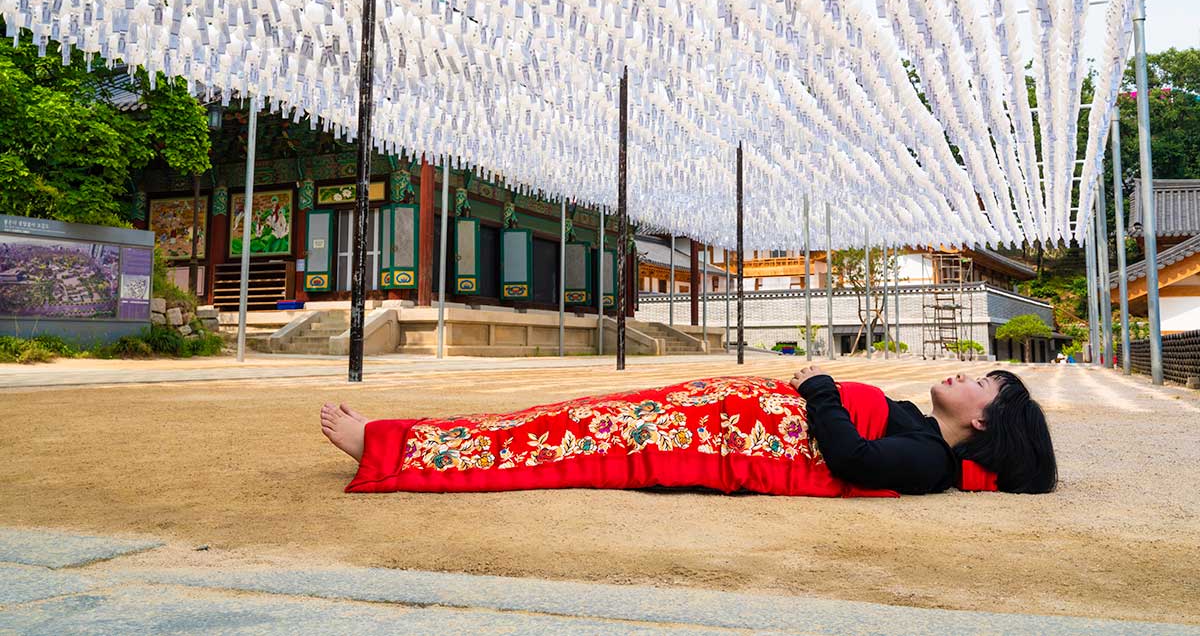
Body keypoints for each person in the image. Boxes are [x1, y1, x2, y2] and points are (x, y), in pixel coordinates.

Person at [321, 366, 1056, 497]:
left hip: (701, 441)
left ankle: (390, 449)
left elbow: (851, 459)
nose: (962, 375)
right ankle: (402, 440)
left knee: (558, 442)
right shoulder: (918, 423)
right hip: (707, 414)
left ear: (984, 419)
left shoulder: (927, 461)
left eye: (978, 382)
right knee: (555, 422)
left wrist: (819, 387)